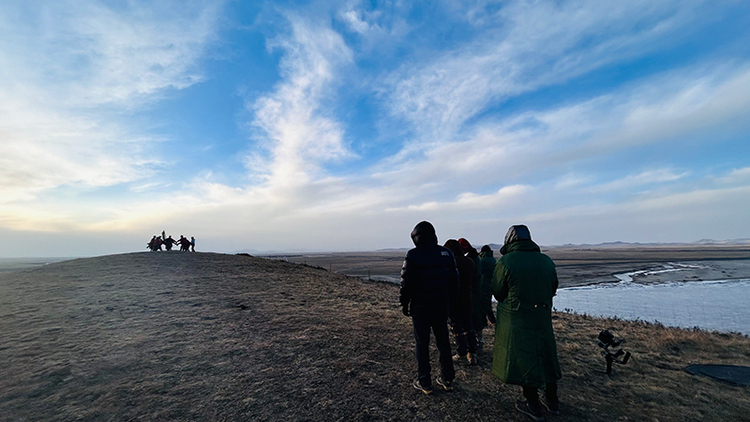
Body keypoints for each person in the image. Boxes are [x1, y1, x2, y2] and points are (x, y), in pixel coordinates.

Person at [492, 225, 561, 421]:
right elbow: (553, 287)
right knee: (546, 357)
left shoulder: (506, 262)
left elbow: (498, 291)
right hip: (542, 319)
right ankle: (553, 400)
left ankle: (533, 404)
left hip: (517, 320)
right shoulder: (546, 261)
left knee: (525, 359)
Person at [400, 221, 459, 395]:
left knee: (422, 344)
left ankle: (425, 381)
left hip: (420, 309)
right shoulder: (447, 254)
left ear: (416, 238)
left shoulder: (413, 255)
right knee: (444, 343)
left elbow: (406, 284)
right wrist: (453, 305)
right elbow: (455, 282)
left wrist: (404, 303)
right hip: (441, 308)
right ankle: (447, 379)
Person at [443, 239, 478, 365]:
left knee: (457, 328)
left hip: (454, 300)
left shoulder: (451, 262)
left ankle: (461, 353)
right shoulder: (470, 262)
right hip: (467, 299)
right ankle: (472, 353)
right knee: (469, 326)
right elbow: (475, 281)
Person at [458, 238, 485, 346]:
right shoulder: (474, 258)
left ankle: (476, 341)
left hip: (473, 291)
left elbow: (475, 276)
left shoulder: (471, 259)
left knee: (474, 315)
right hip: (474, 291)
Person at [477, 244, 497, 348]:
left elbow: (479, 272)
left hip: (483, 286)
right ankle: (492, 321)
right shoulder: (494, 260)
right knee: (488, 304)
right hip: (491, 286)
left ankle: (488, 322)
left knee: (483, 307)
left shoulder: (483, 261)